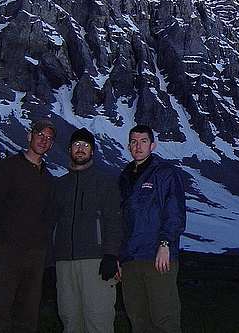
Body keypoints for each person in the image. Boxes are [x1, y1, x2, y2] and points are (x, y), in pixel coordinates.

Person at [0, 119, 57, 333]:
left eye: (49, 138)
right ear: (29, 135)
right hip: (7, 253)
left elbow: (49, 217)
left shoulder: (48, 178)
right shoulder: (6, 168)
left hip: (35, 257)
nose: (44, 140)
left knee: (27, 317)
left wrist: (43, 251)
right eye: (40, 134)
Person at [52, 127, 122, 333]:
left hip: (96, 262)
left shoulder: (105, 182)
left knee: (98, 320)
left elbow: (114, 220)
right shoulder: (60, 185)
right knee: (70, 320)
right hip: (64, 263)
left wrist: (111, 254)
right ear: (70, 149)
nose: (80, 149)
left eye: (85, 145)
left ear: (92, 151)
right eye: (76, 145)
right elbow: (52, 221)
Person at [119, 125, 186, 333]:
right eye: (134, 141)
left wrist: (165, 244)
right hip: (130, 260)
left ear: (153, 145)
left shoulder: (165, 173)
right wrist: (119, 258)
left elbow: (175, 212)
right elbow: (120, 220)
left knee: (165, 319)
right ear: (129, 145)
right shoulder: (124, 177)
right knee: (138, 319)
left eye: (143, 141)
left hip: (157, 257)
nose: (138, 146)